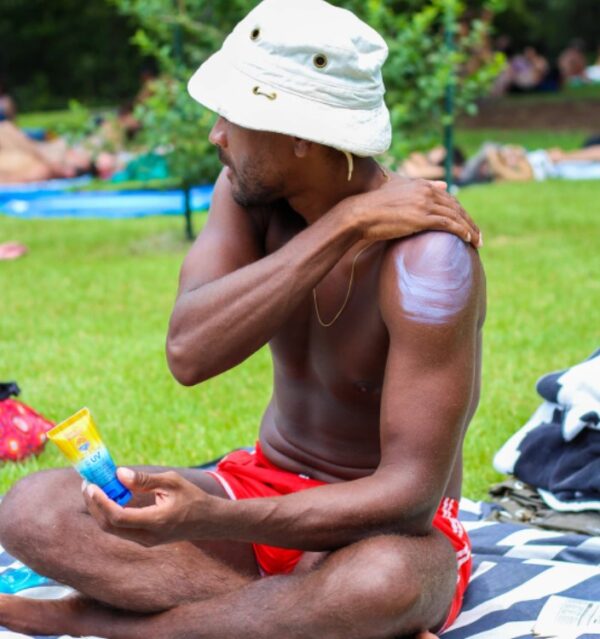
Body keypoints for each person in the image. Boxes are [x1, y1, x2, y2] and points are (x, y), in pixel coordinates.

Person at [0, 2, 485, 638]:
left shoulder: (431, 260)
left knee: (381, 582)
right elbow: (189, 354)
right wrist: (344, 226)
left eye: (235, 117)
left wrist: (208, 522)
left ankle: (118, 626)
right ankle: (298, 619)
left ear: (301, 137)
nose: (217, 135)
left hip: (380, 530)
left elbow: (410, 496)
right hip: (257, 488)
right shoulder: (250, 195)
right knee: (34, 509)